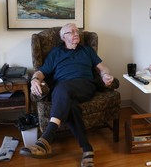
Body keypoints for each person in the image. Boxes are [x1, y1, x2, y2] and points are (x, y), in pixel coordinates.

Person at [19, 23, 114, 166]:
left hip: (84, 86)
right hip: (62, 91)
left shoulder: (87, 50)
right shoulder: (56, 52)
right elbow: (41, 72)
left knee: (62, 87)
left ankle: (46, 140)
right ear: (63, 37)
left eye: (77, 31)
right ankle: (87, 150)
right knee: (72, 106)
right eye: (71, 32)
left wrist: (106, 75)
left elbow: (102, 67)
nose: (76, 33)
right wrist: (34, 80)